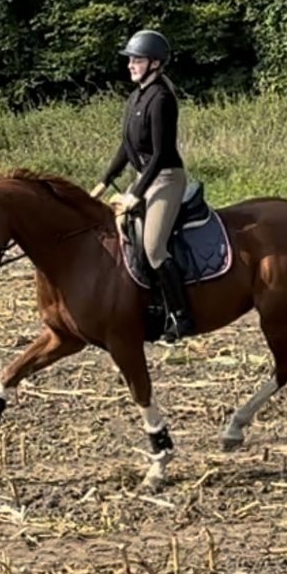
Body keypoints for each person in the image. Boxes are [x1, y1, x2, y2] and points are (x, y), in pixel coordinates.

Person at [89, 29, 194, 345]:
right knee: (123, 236)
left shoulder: (161, 98)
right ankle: (149, 306)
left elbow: (161, 154)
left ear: (155, 64)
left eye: (137, 59)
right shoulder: (136, 96)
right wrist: (103, 182)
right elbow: (126, 146)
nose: (130, 65)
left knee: (153, 248)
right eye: (130, 59)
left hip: (166, 178)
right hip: (144, 178)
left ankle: (181, 316)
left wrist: (135, 193)